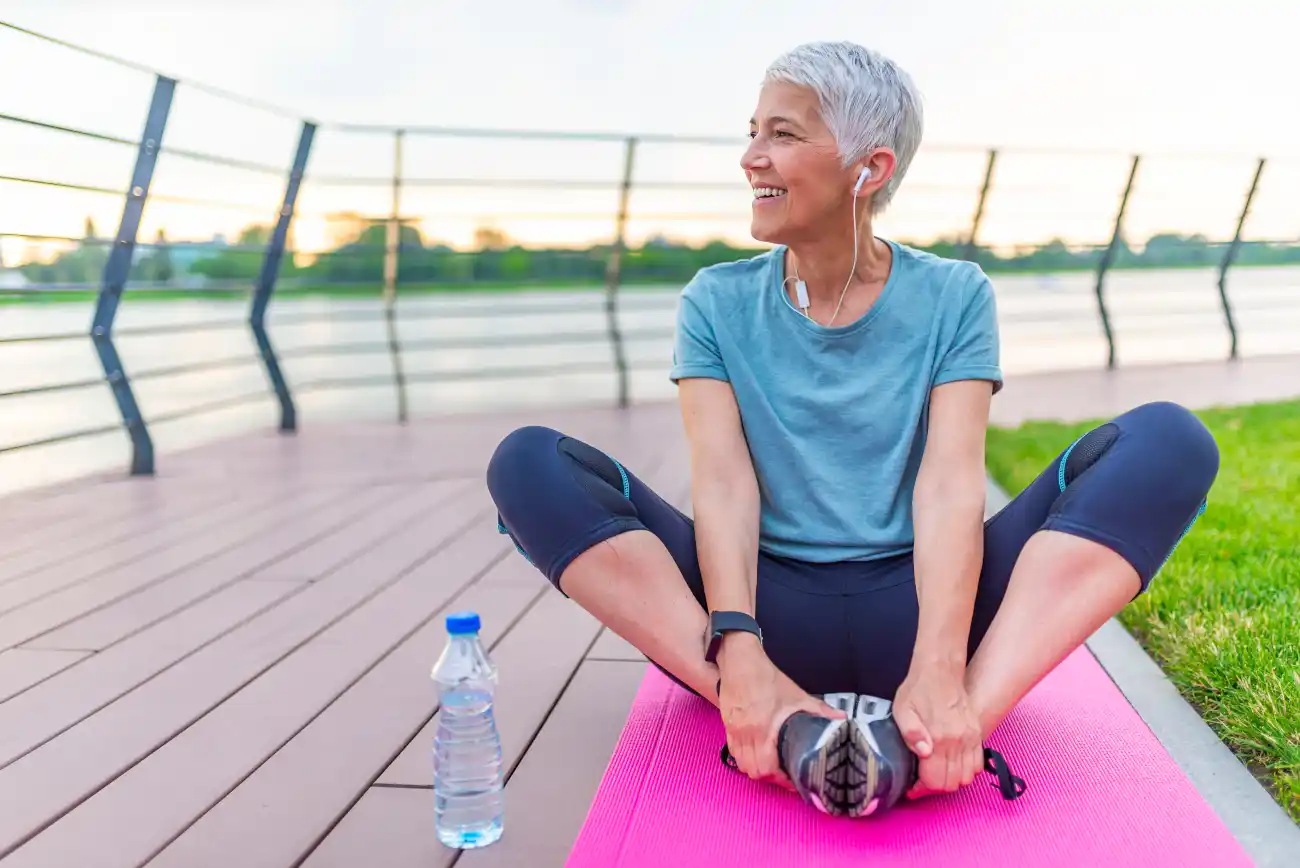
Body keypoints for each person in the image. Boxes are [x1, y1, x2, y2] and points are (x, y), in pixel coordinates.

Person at [486, 41, 1219, 818]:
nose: (750, 158)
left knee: (1170, 443)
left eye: (782, 134)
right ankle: (771, 711)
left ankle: (955, 720)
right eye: (752, 131)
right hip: (762, 618)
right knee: (527, 464)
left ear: (868, 170)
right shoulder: (714, 301)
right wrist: (738, 651)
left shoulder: (954, 294)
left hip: (930, 606)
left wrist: (939, 661)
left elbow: (948, 484)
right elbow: (725, 483)